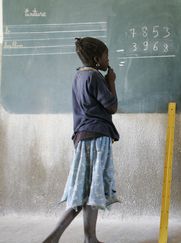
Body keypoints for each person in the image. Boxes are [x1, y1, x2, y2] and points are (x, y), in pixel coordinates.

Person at [43, 37, 120, 243]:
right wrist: (111, 82)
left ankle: (78, 237)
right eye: (106, 56)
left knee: (83, 191)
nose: (108, 60)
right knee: (92, 190)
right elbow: (111, 106)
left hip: (82, 136)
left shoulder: (79, 75)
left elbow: (89, 104)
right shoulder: (95, 76)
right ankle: (84, 238)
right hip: (98, 137)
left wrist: (105, 82)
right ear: (96, 59)